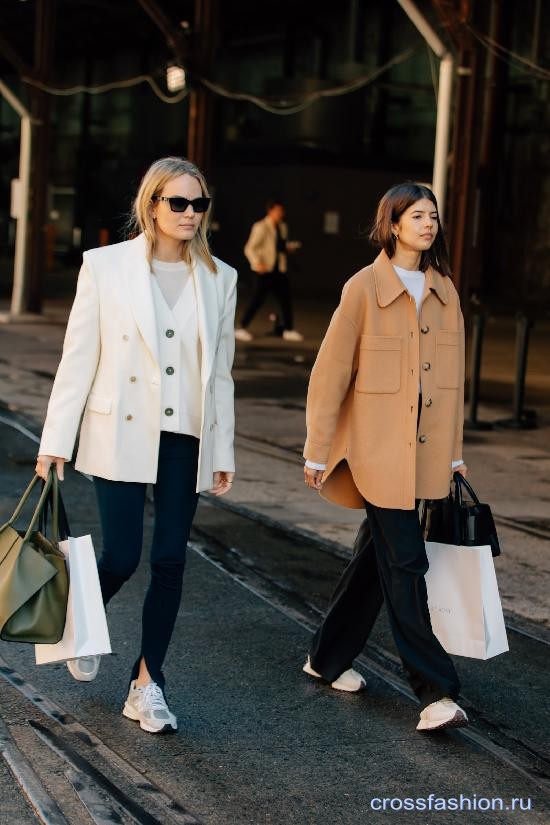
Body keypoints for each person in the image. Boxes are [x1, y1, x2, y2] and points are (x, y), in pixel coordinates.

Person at [36, 156, 237, 735]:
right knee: (122, 555)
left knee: (170, 560)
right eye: (178, 203)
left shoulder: (221, 278)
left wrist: (222, 450)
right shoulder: (104, 267)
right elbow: (78, 359)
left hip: (185, 436)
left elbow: (220, 372)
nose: (190, 214)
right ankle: (84, 623)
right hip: (120, 429)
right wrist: (56, 442)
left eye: (199, 204)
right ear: (152, 205)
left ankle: (147, 685)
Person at [302, 182, 469, 733]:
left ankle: (325, 659)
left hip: (421, 459)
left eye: (434, 215)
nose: (428, 224)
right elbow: (329, 375)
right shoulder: (363, 289)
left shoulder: (444, 292)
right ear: (392, 225)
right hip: (373, 456)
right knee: (405, 562)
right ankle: (434, 691)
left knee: (375, 562)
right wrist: (318, 449)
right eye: (417, 215)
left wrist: (453, 455)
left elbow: (452, 387)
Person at [235, 199, 303, 342]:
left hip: (278, 269)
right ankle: (241, 327)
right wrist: (257, 263)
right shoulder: (261, 227)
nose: (280, 214)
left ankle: (288, 329)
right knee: (257, 300)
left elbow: (279, 246)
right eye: (277, 211)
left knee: (286, 299)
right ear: (270, 211)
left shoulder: (282, 227)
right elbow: (249, 248)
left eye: (281, 211)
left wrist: (288, 248)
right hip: (264, 270)